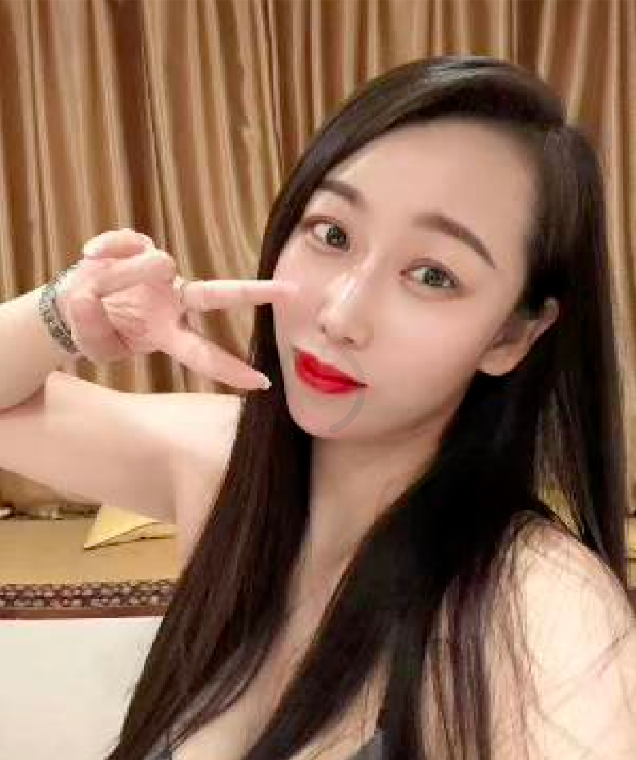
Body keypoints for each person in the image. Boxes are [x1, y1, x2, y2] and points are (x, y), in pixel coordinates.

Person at [1, 54, 635, 759]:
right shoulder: (222, 464)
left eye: (432, 275)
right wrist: (64, 316)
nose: (341, 314)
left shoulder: (542, 611)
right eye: (332, 235)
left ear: (513, 335)